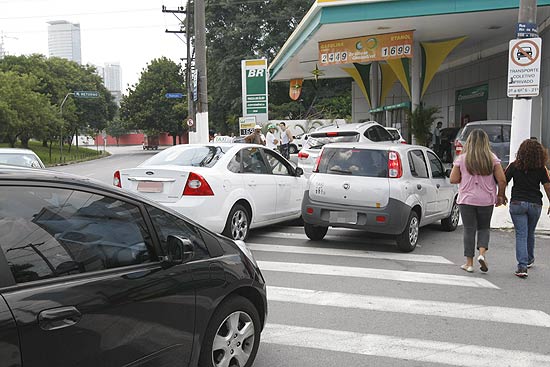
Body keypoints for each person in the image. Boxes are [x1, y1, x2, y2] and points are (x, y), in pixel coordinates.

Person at [450, 129, 507, 273]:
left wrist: (465, 177)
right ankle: (481, 255)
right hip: (486, 200)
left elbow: (453, 179)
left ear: (469, 142)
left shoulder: (462, 159)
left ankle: (469, 263)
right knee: (484, 228)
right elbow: (502, 180)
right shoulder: (492, 158)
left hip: (467, 199)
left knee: (469, 230)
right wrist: (500, 195)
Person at [504, 139, 550, 278]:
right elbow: (547, 186)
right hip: (535, 204)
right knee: (530, 232)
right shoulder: (541, 168)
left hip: (517, 203)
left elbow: (503, 180)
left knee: (521, 234)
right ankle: (529, 258)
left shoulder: (513, 166)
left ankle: (522, 266)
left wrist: (500, 195)